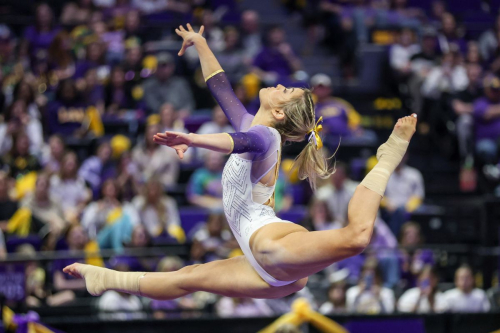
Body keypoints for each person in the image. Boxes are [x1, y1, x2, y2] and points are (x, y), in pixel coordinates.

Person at [64, 24, 417, 302]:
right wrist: (200, 44)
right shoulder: (256, 127)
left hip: (271, 248)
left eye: (286, 90)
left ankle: (388, 156)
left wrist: (192, 138)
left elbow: (237, 142)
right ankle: (105, 279)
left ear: (279, 112)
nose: (280, 84)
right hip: (272, 264)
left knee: (357, 237)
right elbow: (221, 89)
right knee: (189, 277)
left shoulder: (266, 136)